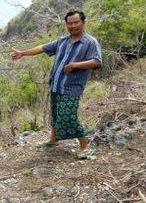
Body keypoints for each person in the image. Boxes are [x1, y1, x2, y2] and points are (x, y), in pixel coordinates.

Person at [10, 10, 102, 159]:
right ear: (66, 24)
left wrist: (75, 65)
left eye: (76, 22)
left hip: (71, 87)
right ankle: (54, 140)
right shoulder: (62, 41)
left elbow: (97, 62)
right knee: (55, 114)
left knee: (68, 117)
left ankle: (85, 146)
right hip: (56, 84)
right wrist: (22, 53)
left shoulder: (90, 42)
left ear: (83, 23)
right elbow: (42, 48)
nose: (73, 25)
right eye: (69, 23)